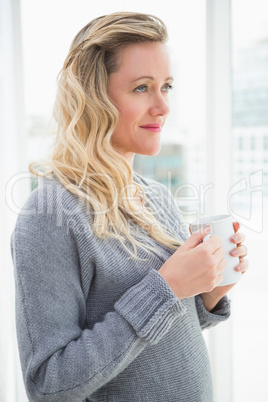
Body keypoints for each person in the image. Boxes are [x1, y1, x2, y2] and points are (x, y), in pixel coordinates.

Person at [10, 11, 248, 402]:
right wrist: (168, 287)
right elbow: (49, 384)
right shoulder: (49, 215)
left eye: (166, 87)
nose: (163, 106)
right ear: (94, 98)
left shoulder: (157, 196)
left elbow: (156, 340)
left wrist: (207, 292)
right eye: (141, 88)